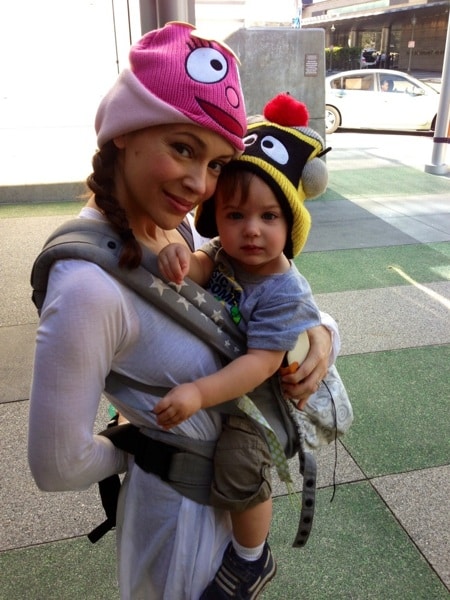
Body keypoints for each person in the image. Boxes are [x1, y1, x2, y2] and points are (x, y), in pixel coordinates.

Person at [28, 22, 339, 600]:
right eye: (182, 148)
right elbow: (56, 465)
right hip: (176, 525)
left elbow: (249, 303)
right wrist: (143, 443)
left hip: (224, 501)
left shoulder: (170, 228)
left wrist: (319, 335)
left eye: (218, 163)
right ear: (126, 131)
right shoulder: (87, 289)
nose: (200, 184)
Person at [156, 95, 329, 598]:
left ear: (288, 224)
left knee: (238, 461)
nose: (250, 229)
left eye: (268, 217)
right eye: (234, 215)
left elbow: (259, 365)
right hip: (233, 376)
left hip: (263, 396)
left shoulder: (283, 290)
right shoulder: (224, 251)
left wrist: (197, 394)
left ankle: (251, 558)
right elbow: (206, 262)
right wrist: (181, 258)